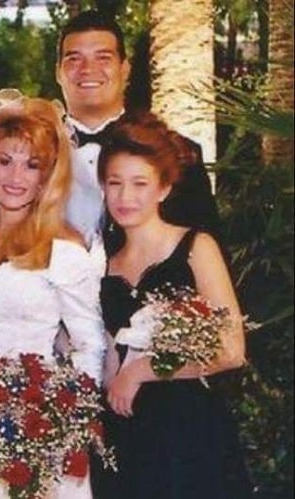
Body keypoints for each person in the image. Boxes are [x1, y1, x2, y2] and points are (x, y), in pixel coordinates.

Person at [0, 96, 105, 498]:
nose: (16, 176)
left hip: (42, 413)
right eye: (5, 161)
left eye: (32, 165)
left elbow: (91, 344)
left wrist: (63, 415)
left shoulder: (63, 249)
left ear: (47, 177)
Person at [90, 115, 253, 499]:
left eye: (139, 184)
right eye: (114, 183)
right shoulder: (102, 263)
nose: (125, 197)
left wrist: (143, 371)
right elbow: (109, 359)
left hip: (190, 431)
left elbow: (232, 351)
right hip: (128, 434)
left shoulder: (196, 248)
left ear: (163, 188)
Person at [55, 10, 221, 249]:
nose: (87, 69)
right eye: (74, 59)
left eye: (103, 58)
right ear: (58, 72)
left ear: (124, 69)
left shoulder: (179, 156)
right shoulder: (27, 157)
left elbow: (209, 256)